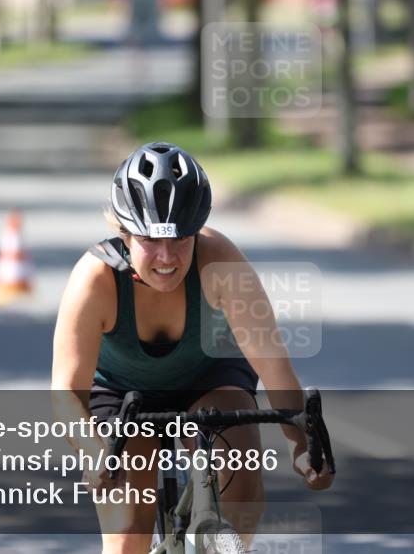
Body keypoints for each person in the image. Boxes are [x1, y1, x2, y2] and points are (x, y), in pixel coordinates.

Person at [51, 142, 333, 553]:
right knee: (128, 527)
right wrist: (96, 454)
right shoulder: (94, 279)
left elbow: (275, 370)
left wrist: (300, 448)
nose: (167, 257)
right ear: (124, 233)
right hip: (123, 396)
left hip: (209, 381)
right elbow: (65, 396)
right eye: (150, 240)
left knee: (243, 489)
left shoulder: (220, 261)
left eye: (181, 239)